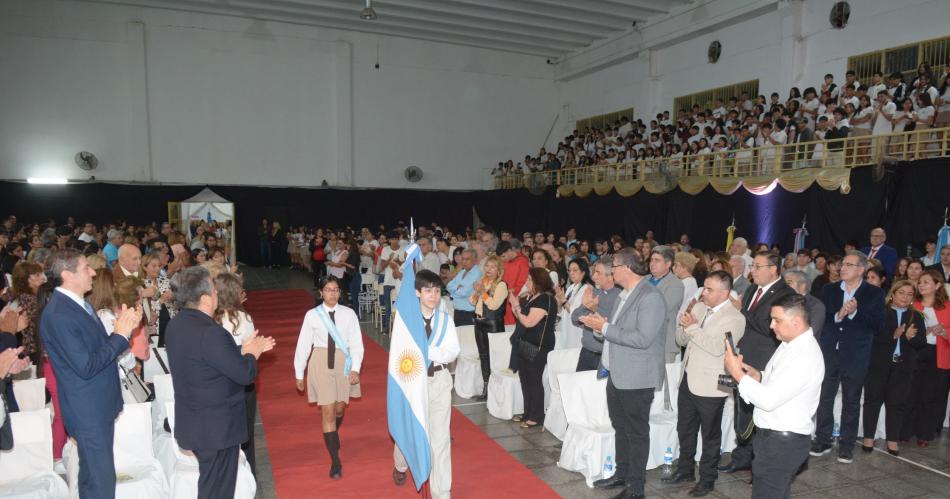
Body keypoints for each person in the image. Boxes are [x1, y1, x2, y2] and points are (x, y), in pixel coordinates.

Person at [40, 248, 143, 499]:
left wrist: (123, 329)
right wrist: (120, 335)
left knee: (93, 477)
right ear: (67, 274)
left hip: (97, 404)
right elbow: (86, 365)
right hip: (88, 409)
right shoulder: (59, 314)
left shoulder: (79, 304)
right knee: (101, 481)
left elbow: (96, 349)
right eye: (86, 268)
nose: (93, 272)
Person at [167, 266, 275, 499]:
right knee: (218, 490)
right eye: (215, 290)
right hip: (216, 428)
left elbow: (206, 358)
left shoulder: (177, 324)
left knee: (209, 486)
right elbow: (244, 375)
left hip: (194, 421)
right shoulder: (211, 332)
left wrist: (241, 349)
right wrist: (251, 354)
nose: (218, 294)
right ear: (205, 299)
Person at [580, 248, 666, 499]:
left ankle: (636, 488)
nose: (610, 271)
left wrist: (604, 327)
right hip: (616, 372)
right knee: (621, 427)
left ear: (626, 268)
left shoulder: (650, 297)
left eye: (613, 266)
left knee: (636, 432)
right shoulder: (623, 295)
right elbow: (613, 331)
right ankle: (622, 473)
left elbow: (643, 338)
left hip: (637, 377)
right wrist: (598, 326)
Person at [724, 294, 824, 499]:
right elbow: (776, 381)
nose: (771, 325)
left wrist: (738, 375)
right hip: (775, 439)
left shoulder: (803, 355)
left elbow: (768, 400)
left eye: (777, 320)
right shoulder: (790, 344)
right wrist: (757, 375)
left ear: (796, 321)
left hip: (782, 443)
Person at [666, 271, 746, 497]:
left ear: (725, 293)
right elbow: (682, 341)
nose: (704, 292)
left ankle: (708, 479)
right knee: (685, 428)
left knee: (710, 435)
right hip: (688, 378)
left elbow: (716, 347)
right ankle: (685, 470)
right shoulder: (699, 308)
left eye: (710, 289)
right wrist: (684, 325)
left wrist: (691, 328)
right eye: (704, 287)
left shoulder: (735, 318)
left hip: (711, 385)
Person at [719, 251, 795, 473]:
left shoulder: (785, 293)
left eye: (757, 266)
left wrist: (741, 312)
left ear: (773, 269)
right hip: (745, 355)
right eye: (752, 266)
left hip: (765, 360)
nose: (752, 271)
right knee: (742, 409)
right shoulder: (753, 288)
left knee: (761, 413)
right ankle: (741, 456)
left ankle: (758, 463)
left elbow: (773, 330)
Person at [810, 251, 885, 464]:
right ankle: (823, 439)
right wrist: (839, 315)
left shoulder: (874, 294)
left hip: (855, 354)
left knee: (851, 400)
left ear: (861, 269)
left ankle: (846, 445)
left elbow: (878, 326)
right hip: (830, 350)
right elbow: (823, 319)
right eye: (842, 264)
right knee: (825, 396)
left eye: (849, 265)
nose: (842, 268)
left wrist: (854, 313)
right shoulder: (829, 289)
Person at [392, 270, 460, 499]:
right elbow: (400, 355)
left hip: (439, 381)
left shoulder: (445, 321)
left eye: (437, 290)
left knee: (440, 439)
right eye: (428, 290)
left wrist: (426, 351)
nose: (433, 295)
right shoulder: (406, 323)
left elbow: (452, 352)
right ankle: (401, 463)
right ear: (417, 292)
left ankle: (442, 492)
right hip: (412, 382)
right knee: (410, 430)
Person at [294, 275, 364, 479]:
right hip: (320, 362)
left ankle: (333, 433)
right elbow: (303, 344)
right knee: (327, 411)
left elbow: (357, 344)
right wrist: (299, 372)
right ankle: (335, 460)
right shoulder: (312, 315)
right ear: (321, 292)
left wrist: (356, 369)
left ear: (340, 293)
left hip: (344, 363)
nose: (332, 293)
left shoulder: (349, 313)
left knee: (340, 407)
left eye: (336, 289)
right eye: (328, 289)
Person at [861, 280, 924, 456]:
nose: (905, 297)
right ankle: (868, 438)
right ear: (893, 294)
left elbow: (922, 343)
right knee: (873, 401)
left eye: (910, 294)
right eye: (902, 293)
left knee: (897, 404)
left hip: (903, 367)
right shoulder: (880, 312)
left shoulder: (916, 316)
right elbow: (871, 338)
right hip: (878, 364)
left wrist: (909, 338)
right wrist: (893, 335)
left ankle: (892, 440)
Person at [213, 272, 261, 475]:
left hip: (218, 381)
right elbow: (251, 348)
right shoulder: (242, 318)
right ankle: (248, 473)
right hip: (241, 378)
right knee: (246, 429)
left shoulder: (210, 318)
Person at [903, 270, 950, 446]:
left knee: (931, 395)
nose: (921, 285)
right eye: (920, 282)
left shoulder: (947, 307)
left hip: (938, 353)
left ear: (937, 285)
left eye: (926, 282)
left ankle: (925, 433)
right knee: (910, 392)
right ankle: (905, 431)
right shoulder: (912, 305)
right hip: (915, 352)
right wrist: (923, 331)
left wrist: (944, 332)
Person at [507, 268, 557, 428]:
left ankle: (537, 416)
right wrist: (516, 307)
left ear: (538, 281)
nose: (526, 282)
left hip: (538, 346)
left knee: (534, 380)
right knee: (525, 379)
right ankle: (527, 412)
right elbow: (521, 319)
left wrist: (517, 307)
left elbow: (528, 322)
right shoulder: (533, 297)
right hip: (526, 343)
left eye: (529, 279)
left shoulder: (545, 299)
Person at [572, 259, 622, 371]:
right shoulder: (594, 292)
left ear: (610, 276)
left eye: (598, 272)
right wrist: (586, 306)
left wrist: (594, 309)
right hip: (586, 352)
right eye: (594, 272)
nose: (593, 277)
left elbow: (612, 326)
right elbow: (574, 318)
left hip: (606, 355)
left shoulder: (620, 296)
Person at [470, 255, 506, 398]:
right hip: (479, 322)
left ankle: (496, 390)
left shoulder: (501, 285)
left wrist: (482, 293)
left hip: (492, 324)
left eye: (493, 267)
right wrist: (477, 292)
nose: (489, 269)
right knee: (483, 356)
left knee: (494, 357)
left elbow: (494, 304)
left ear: (499, 270)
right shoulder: (483, 282)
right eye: (487, 266)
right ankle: (486, 387)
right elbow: (472, 302)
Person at [649, 245, 685, 362]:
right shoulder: (643, 280)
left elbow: (660, 309)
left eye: (657, 260)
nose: (652, 264)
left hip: (663, 344)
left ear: (668, 264)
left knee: (661, 380)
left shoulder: (676, 284)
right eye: (651, 260)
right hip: (642, 341)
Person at [556, 258, 592, 349]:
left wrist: (564, 300)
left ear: (583, 272)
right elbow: (564, 311)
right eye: (569, 270)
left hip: (577, 331)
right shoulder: (570, 287)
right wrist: (559, 303)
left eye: (575, 270)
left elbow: (578, 313)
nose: (571, 273)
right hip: (566, 328)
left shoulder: (587, 289)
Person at [783, 270, 826, 337]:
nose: (784, 287)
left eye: (789, 283)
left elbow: (809, 332)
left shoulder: (816, 305)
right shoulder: (783, 302)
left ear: (802, 286)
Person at [498, 240, 530, 326]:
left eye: (503, 256)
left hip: (515, 299)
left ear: (509, 251)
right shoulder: (505, 262)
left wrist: (511, 291)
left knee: (513, 326)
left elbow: (523, 283)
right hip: (504, 299)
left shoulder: (523, 261)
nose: (502, 259)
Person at [446, 249, 481, 327]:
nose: (464, 262)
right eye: (463, 259)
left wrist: (452, 293)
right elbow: (448, 285)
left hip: (469, 314)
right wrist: (457, 287)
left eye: (467, 259)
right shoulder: (462, 272)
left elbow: (464, 292)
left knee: (468, 338)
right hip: (458, 312)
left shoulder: (477, 273)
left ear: (474, 260)